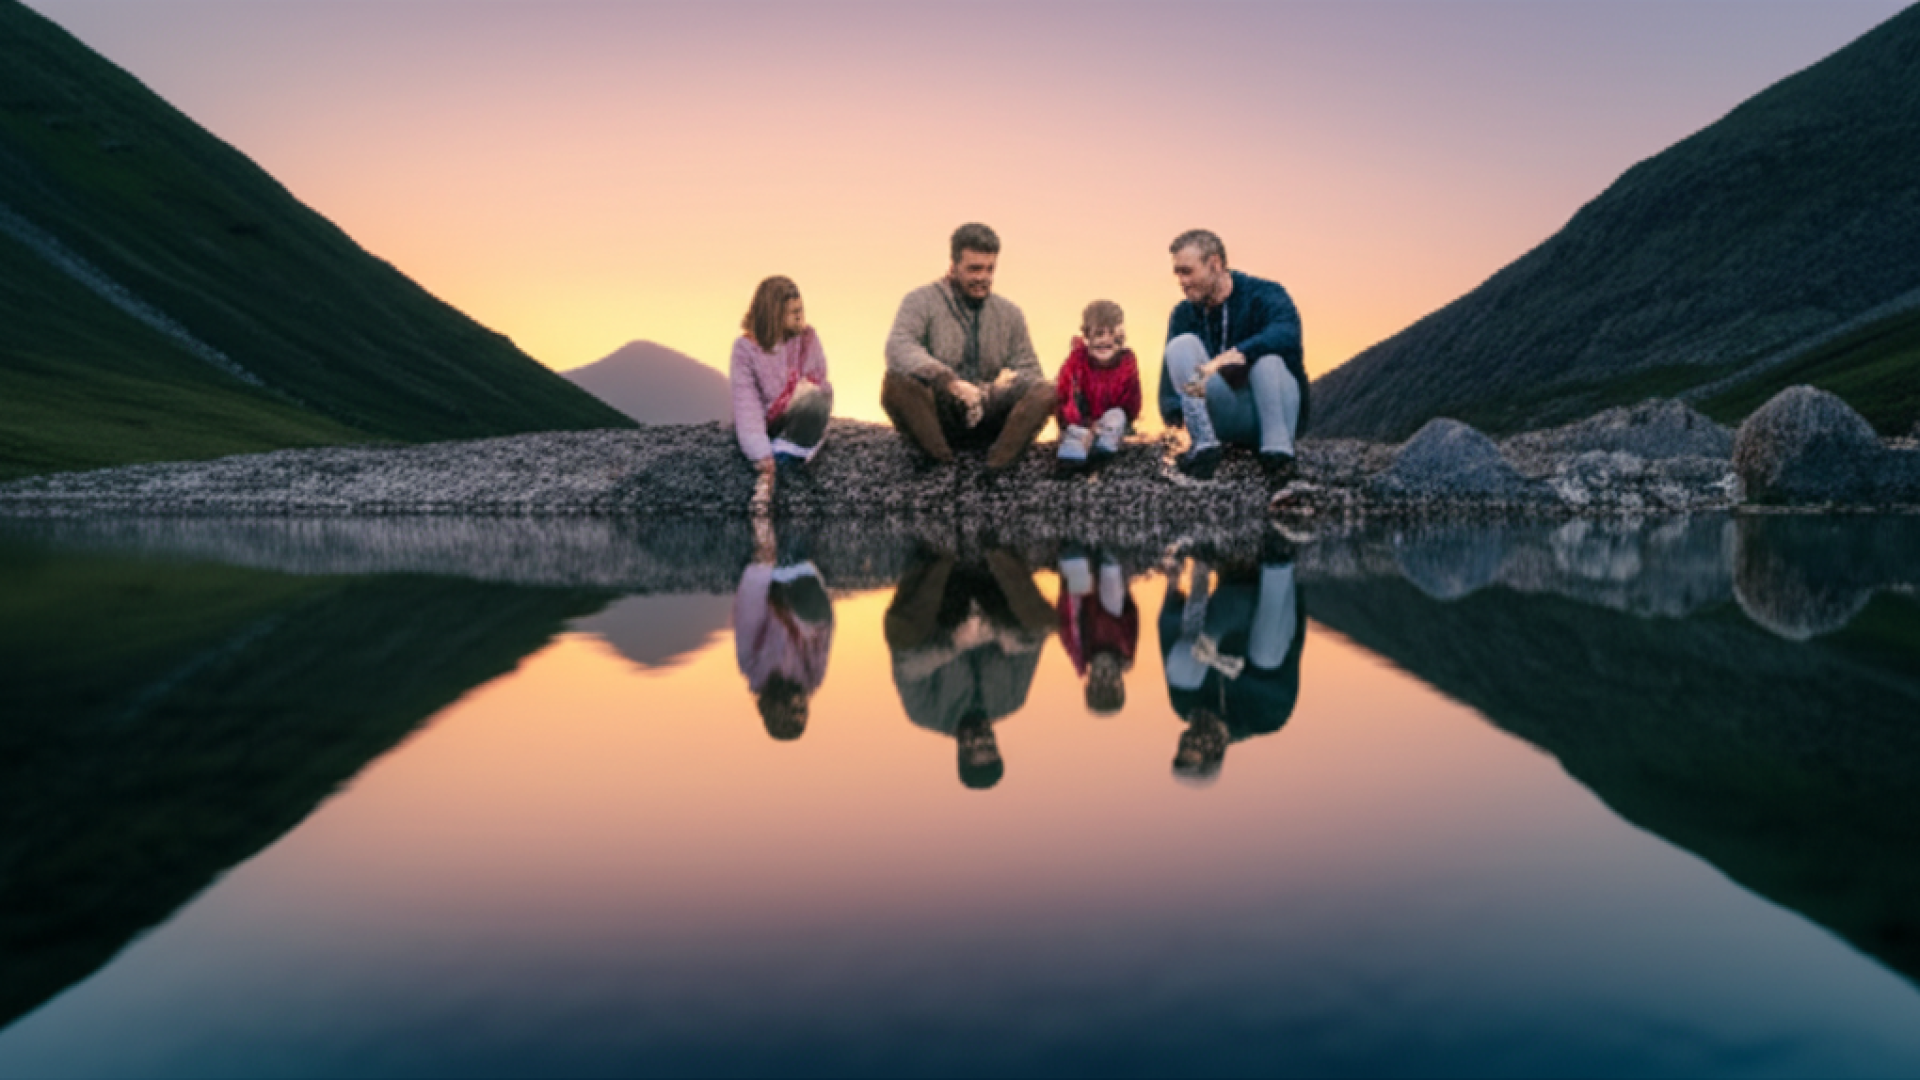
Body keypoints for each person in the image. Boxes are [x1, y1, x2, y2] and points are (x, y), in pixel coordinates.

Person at [882, 223, 1055, 472]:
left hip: (988, 412)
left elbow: (1029, 370)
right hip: (938, 412)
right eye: (974, 269)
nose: (983, 277)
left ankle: (995, 468)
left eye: (989, 269)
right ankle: (942, 463)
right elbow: (899, 346)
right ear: (953, 267)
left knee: (1046, 391)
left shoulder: (1009, 314)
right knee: (896, 383)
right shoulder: (920, 301)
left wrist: (1003, 386)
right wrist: (949, 381)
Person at [884, 545, 1054, 789]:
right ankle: (1000, 552)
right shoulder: (1013, 699)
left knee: (901, 637)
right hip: (991, 598)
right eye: (989, 746)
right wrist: (997, 633)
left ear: (961, 755)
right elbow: (1033, 643)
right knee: (1044, 623)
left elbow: (907, 664)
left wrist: (955, 643)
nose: (980, 739)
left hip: (937, 605)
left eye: (975, 749)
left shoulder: (923, 714)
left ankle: (937, 557)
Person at [1158, 229, 1308, 482]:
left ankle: (1279, 459)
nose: (1182, 281)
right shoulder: (1183, 314)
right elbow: (1171, 379)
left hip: (1273, 407)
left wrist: (1239, 353)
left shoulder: (1265, 293)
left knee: (1268, 360)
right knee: (1180, 345)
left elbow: (1286, 334)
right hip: (1224, 411)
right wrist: (1174, 414)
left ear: (1214, 264)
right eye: (1178, 273)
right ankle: (1205, 448)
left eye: (1188, 271)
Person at [1158, 537, 1306, 785]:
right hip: (1269, 606)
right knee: (1267, 658)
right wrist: (1229, 667)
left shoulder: (1184, 703)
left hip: (1221, 615)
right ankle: (1278, 556)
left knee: (1182, 672)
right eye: (1199, 747)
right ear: (1217, 753)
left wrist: (1173, 587)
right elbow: (1286, 659)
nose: (1194, 737)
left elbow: (1168, 636)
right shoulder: (1266, 718)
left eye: (1186, 744)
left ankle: (1201, 564)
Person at [731, 275, 833, 513]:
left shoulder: (808, 337)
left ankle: (789, 458)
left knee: (818, 398)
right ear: (772, 313)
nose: (799, 316)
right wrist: (761, 454)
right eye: (791, 312)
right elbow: (747, 405)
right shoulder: (745, 349)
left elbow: (817, 381)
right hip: (768, 421)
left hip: (798, 413)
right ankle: (779, 461)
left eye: (801, 309)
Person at [733, 517, 834, 741]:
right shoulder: (812, 678)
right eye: (803, 711)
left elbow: (748, 611)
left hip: (771, 581)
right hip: (803, 590)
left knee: (770, 524)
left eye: (795, 711)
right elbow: (825, 628)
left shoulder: (753, 668)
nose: (801, 705)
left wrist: (762, 567)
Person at [1053, 301, 1142, 476]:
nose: (1106, 340)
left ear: (1121, 337)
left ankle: (1102, 451)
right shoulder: (1077, 360)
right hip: (1081, 420)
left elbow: (1131, 400)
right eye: (1099, 334)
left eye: (1113, 335)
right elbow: (1065, 394)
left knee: (1116, 417)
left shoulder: (1126, 362)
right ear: (1087, 336)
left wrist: (1123, 420)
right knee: (1073, 444)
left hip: (1108, 419)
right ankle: (1074, 456)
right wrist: (1077, 423)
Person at [1056, 546, 1138, 715]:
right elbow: (1131, 614)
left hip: (1083, 590)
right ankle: (1109, 564)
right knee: (1114, 604)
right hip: (1108, 588)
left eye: (1099, 678)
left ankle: (1079, 558)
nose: (1104, 672)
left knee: (1075, 562)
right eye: (1109, 677)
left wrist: (1066, 584)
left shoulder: (1079, 652)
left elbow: (1065, 620)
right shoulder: (1125, 650)